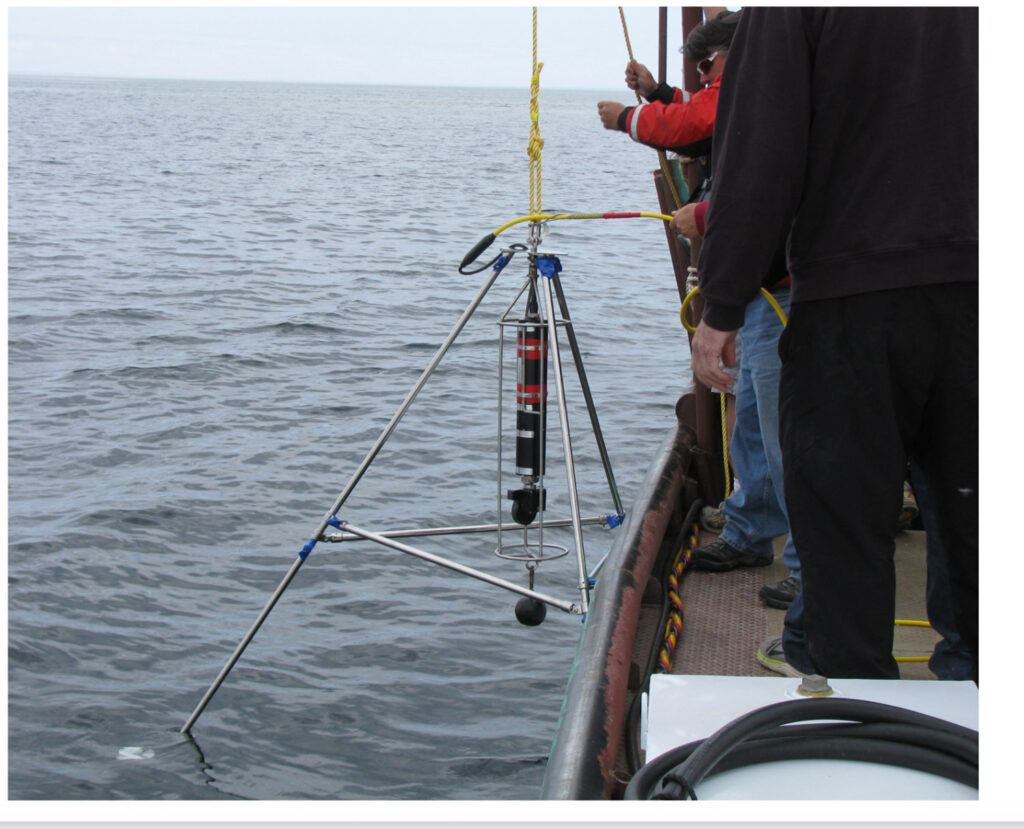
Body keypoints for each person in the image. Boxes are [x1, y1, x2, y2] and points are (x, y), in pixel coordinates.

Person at [691, 9, 978, 681]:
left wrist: (723, 302)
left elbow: (763, 147)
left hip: (855, 298)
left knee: (843, 523)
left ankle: (856, 705)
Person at [672, 201, 801, 609]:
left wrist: (708, 216)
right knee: (752, 424)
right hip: (760, 293)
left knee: (788, 438)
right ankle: (751, 531)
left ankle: (810, 571)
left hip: (794, 290)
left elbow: (767, 193)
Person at [597, 10, 739, 162]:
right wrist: (655, 91)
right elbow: (701, 109)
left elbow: (693, 123)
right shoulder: (743, 90)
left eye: (705, 65)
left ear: (731, 54)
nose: (702, 78)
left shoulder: (739, 90)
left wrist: (624, 117)